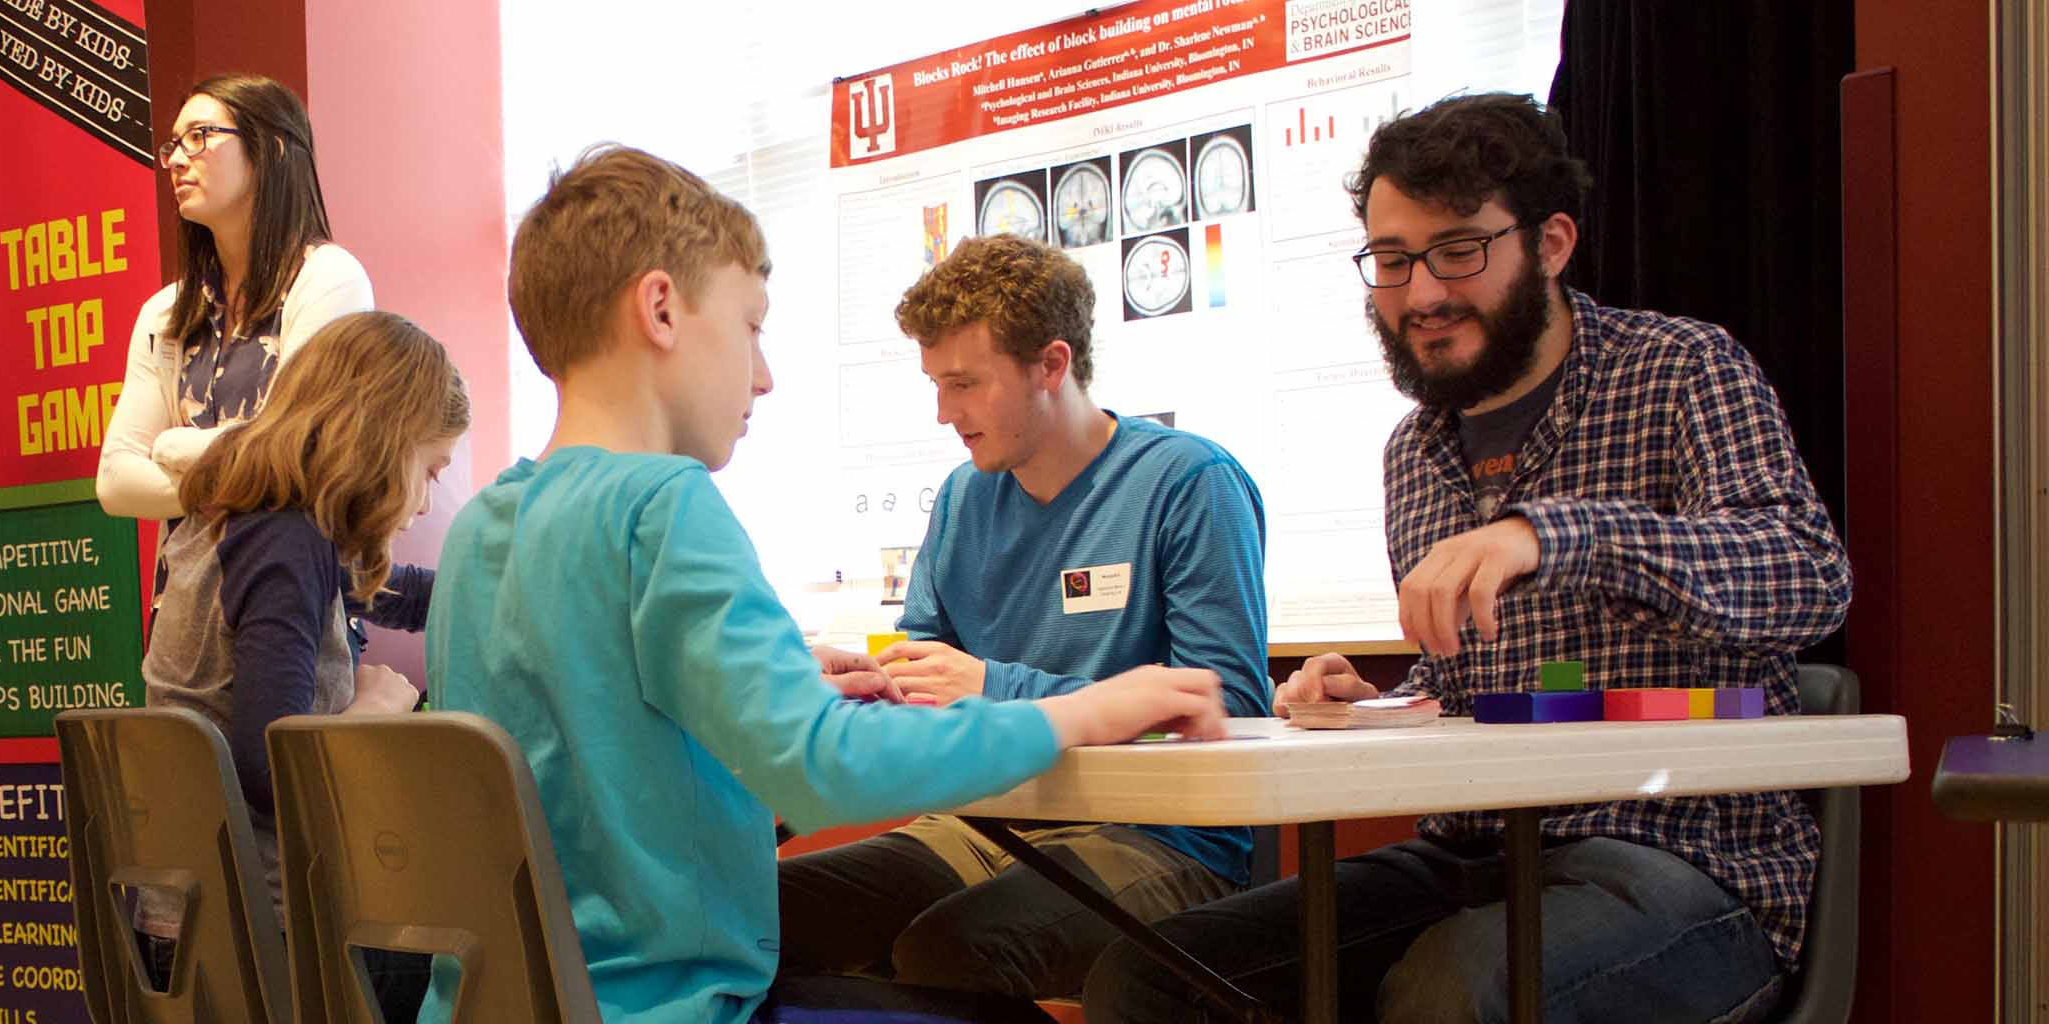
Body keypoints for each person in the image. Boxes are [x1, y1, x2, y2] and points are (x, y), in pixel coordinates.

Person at [1082, 93, 1850, 1023]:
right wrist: (1385, 704)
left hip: (1681, 856)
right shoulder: (1416, 450)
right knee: (1151, 978)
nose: (1423, 294)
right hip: (1473, 851)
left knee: (1454, 992)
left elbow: (1805, 573)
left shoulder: (1682, 369)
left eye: (1459, 252)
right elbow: (1491, 682)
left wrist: (1552, 533)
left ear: (1552, 244)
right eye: (1394, 260)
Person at [425, 144, 1232, 1024]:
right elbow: (823, 770)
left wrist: (771, 685)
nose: (764, 375)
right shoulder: (664, 504)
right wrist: (1084, 710)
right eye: (751, 326)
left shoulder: (479, 528)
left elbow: (592, 750)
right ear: (660, 308)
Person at [776, 233, 1272, 1000]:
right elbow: (932, 682)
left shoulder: (1189, 483)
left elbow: (1230, 710)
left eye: (965, 384)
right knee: (763, 915)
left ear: (1052, 364)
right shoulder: (965, 498)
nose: (944, 412)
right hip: (981, 825)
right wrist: (882, 686)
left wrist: (993, 684)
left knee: (953, 949)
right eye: (936, 384)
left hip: (1159, 839)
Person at [136, 310, 457, 1015]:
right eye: (428, 470)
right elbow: (267, 764)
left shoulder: (241, 518)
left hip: (192, 933)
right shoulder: (286, 539)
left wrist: (491, 582)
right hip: (269, 944)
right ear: (381, 440)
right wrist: (374, 711)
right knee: (473, 953)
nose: (426, 502)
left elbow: (388, 591)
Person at [97, 73, 373, 522]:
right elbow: (115, 482)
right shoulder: (165, 310)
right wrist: (247, 470)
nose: (176, 161)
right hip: (185, 591)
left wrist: (171, 446)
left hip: (290, 583)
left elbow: (298, 449)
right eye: (173, 144)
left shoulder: (329, 279)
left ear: (272, 150)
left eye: (200, 137)